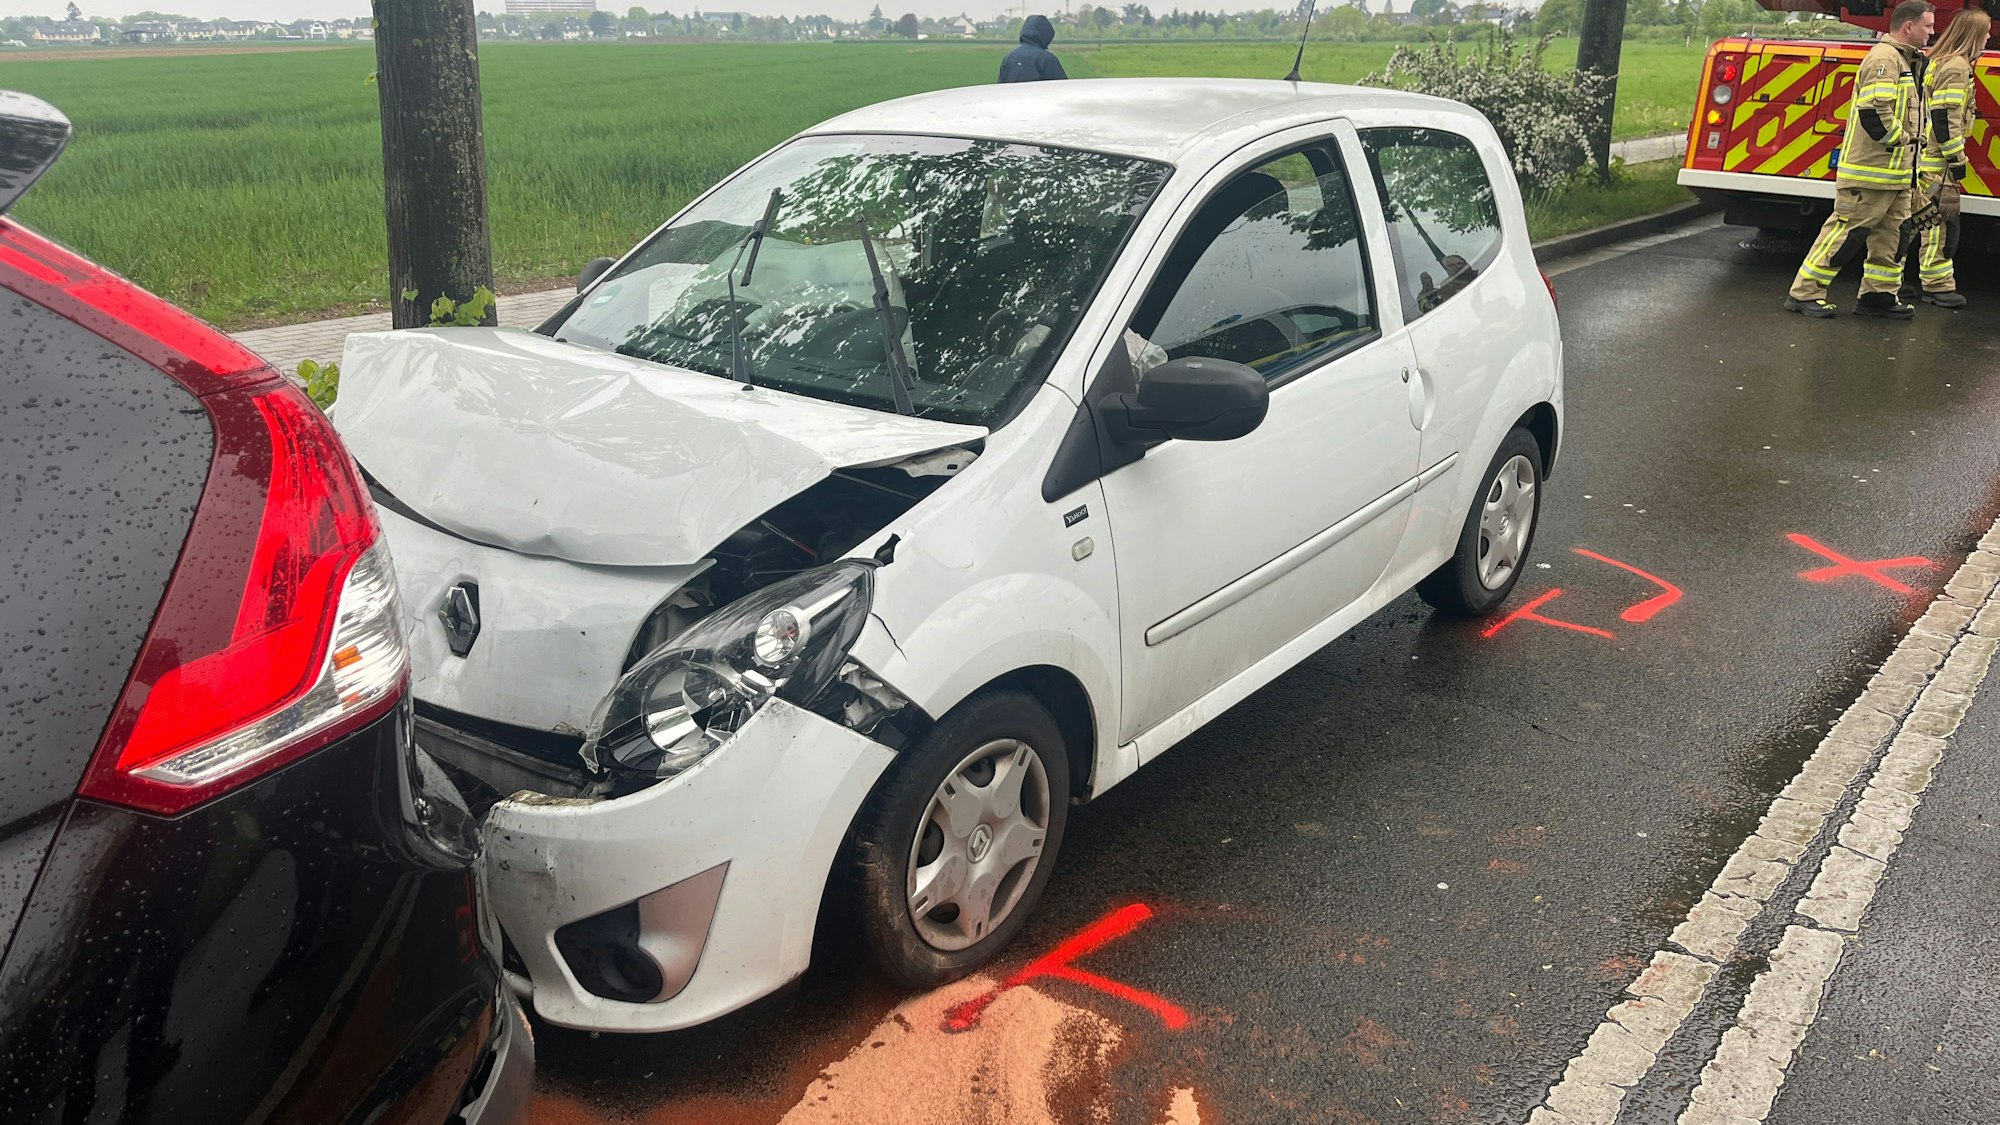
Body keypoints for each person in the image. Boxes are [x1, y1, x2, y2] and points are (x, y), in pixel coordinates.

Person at [1783, 0, 1935, 319]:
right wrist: (1904, 140)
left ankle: (1878, 297)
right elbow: (1874, 114)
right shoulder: (1884, 59)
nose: (1932, 32)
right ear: (1909, 26)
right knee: (1844, 235)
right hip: (1870, 173)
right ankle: (1804, 293)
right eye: (1928, 26)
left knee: (1893, 239)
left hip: (1896, 176)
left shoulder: (1905, 60)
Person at [1909, 7, 1987, 308]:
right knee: (1938, 227)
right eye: (1985, 33)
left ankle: (1896, 282)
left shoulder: (1943, 61)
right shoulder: (1956, 67)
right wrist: (1957, 160)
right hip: (1939, 164)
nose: (1989, 37)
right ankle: (1937, 286)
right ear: (1973, 35)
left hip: (1930, 159)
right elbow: (1945, 118)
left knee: (1917, 222)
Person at [999, 15, 1066, 83]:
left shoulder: (1008, 58)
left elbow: (1000, 86)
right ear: (1046, 34)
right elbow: (1062, 86)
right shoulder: (1047, 59)